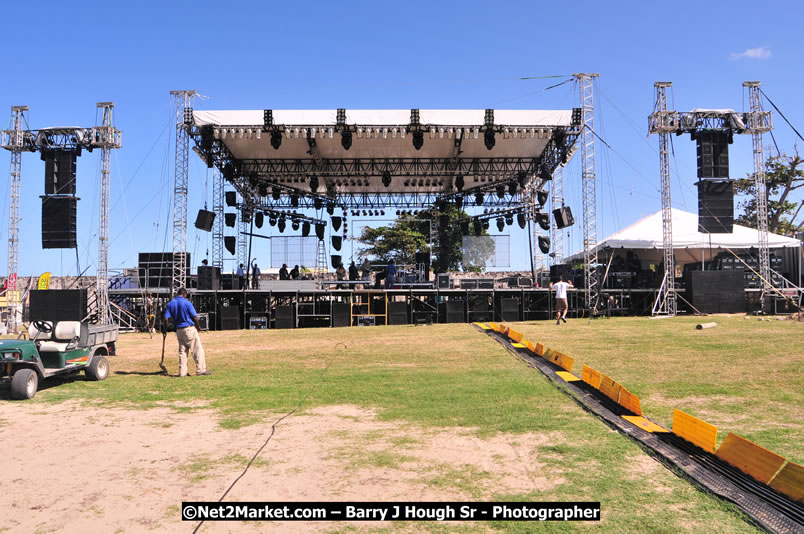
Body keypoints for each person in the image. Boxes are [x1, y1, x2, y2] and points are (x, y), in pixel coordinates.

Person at [163, 288, 210, 377]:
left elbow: (166, 318)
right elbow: (195, 317)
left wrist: (165, 329)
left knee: (182, 352)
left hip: (179, 330)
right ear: (184, 294)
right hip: (188, 329)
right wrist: (198, 327)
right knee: (197, 350)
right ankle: (200, 370)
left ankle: (182, 372)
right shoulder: (187, 303)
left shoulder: (170, 303)